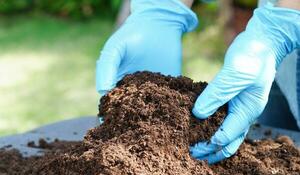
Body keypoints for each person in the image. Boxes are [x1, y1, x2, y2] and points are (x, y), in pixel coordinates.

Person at [96, 0, 300, 164]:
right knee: (282, 152)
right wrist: (164, 8)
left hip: (280, 26)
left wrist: (281, 27)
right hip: (277, 17)